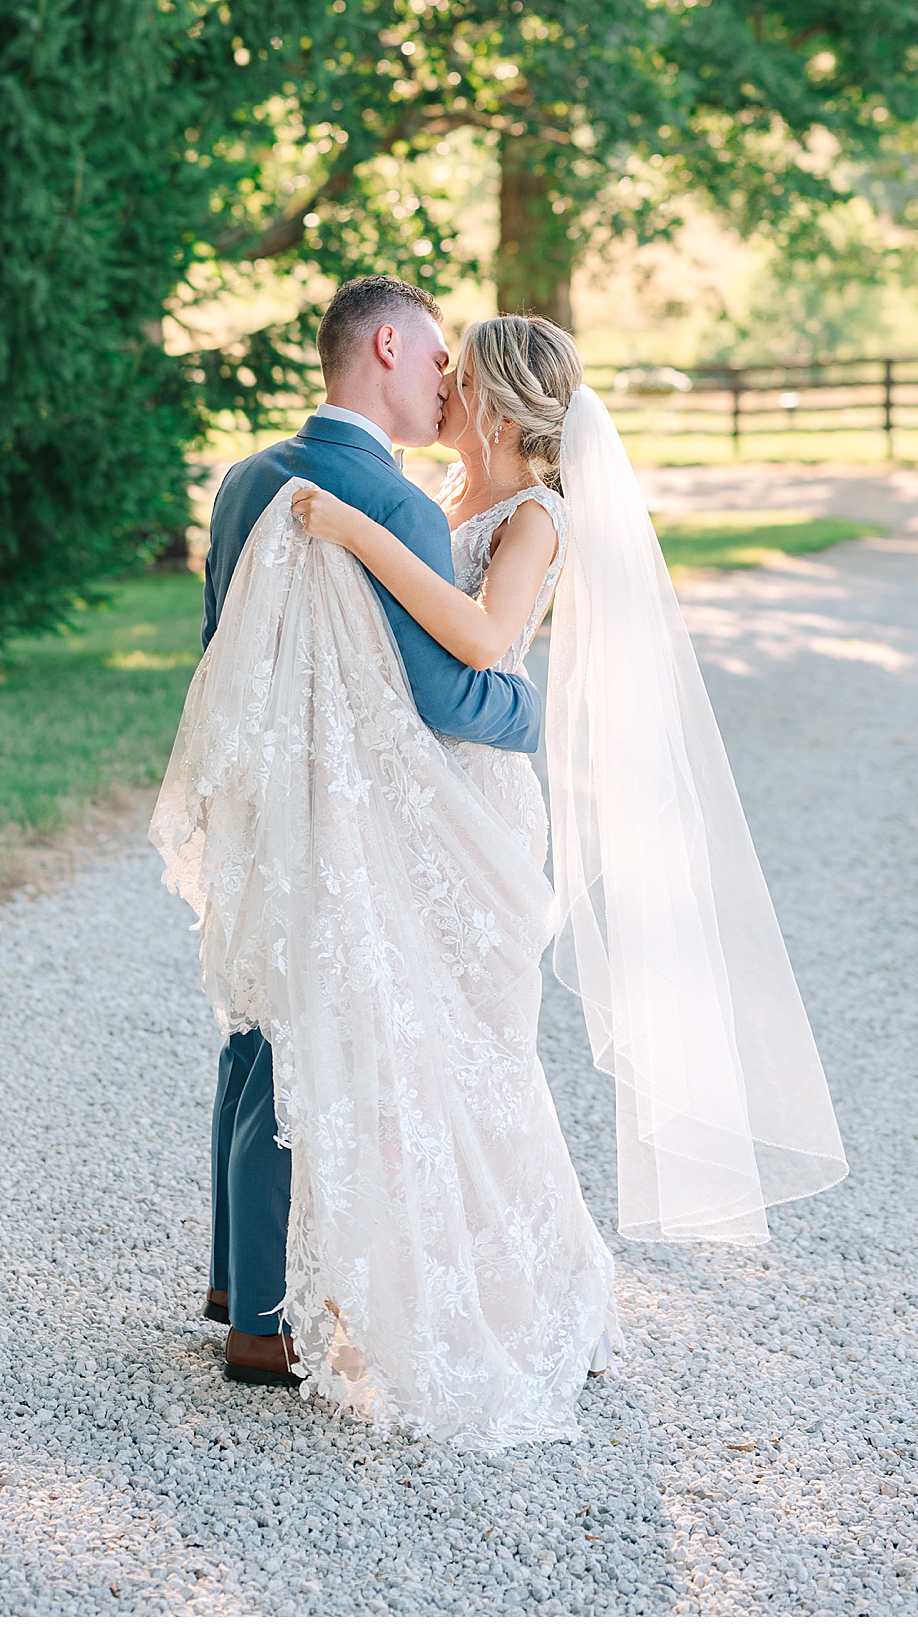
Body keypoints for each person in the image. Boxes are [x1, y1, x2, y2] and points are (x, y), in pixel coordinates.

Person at [154, 308, 846, 1449]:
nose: (442, 391)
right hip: (396, 801)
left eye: (458, 379)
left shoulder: (494, 512)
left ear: (495, 401)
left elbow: (478, 647)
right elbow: (429, 674)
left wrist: (383, 565)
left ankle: (385, 1285)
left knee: (450, 1040)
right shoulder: (428, 504)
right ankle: (300, 1292)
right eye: (438, 367)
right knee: (384, 1033)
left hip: (457, 812)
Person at [190, 277, 546, 1391]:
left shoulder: (246, 478)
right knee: (320, 1037)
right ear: (386, 346)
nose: (445, 380)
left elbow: (221, 654)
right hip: (347, 818)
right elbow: (441, 697)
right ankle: (258, 1323)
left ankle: (233, 1282)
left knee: (254, 1018)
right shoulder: (395, 507)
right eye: (435, 358)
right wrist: (530, 711)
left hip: (259, 794)